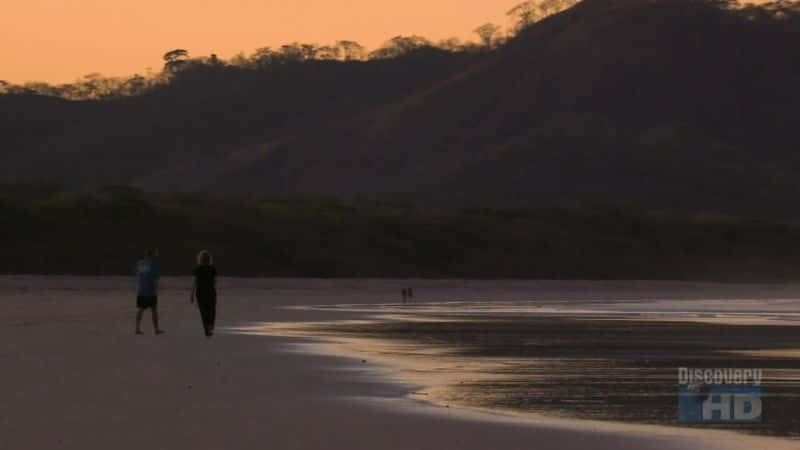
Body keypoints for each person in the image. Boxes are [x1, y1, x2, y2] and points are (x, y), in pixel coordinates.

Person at [135, 249, 164, 335]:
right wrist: (156, 287)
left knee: (140, 309)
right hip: (150, 290)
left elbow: (137, 274)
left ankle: (137, 328)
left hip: (141, 290)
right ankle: (156, 329)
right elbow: (156, 278)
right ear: (152, 256)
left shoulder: (140, 263)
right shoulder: (153, 264)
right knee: (154, 309)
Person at [191, 250, 217, 337]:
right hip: (211, 292)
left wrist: (191, 294)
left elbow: (195, 282)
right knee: (212, 310)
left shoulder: (197, 269)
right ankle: (211, 326)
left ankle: (207, 330)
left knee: (203, 312)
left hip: (200, 292)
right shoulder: (212, 269)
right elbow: (215, 282)